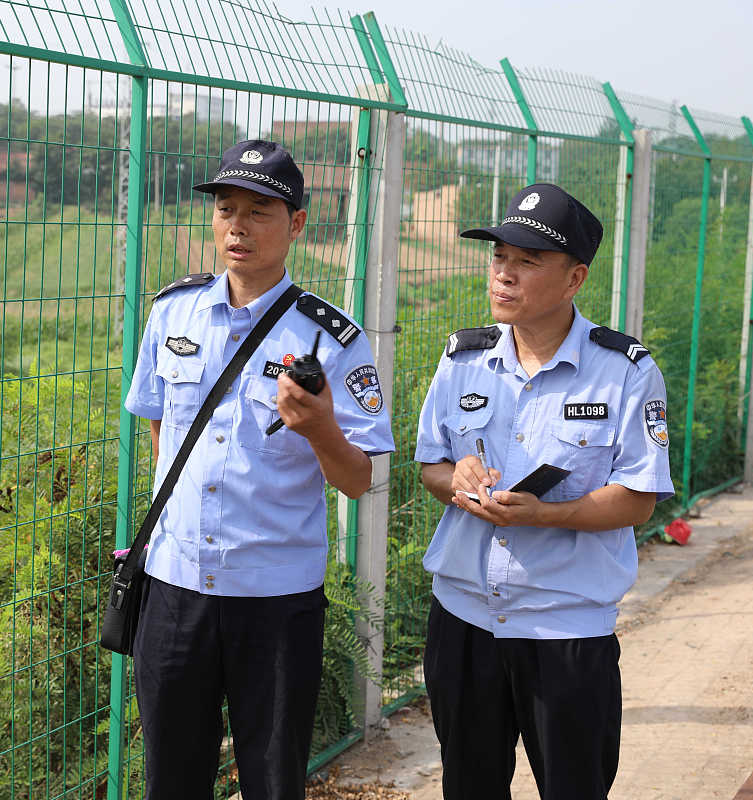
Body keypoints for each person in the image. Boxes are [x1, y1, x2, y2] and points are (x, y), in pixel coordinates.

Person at [123, 140, 395, 800]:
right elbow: (162, 428)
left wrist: (321, 428)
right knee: (171, 778)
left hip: (274, 599)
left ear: (297, 224)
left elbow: (360, 480)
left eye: (259, 212)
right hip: (174, 587)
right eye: (225, 209)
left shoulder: (333, 338)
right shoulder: (172, 312)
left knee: (273, 780)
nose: (238, 226)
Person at [414, 183, 674, 799]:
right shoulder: (463, 361)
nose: (504, 274)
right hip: (464, 619)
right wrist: (457, 481)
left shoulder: (627, 373)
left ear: (575, 278)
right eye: (500, 256)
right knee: (469, 787)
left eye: (528, 261)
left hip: (565, 630)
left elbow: (638, 498)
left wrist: (543, 515)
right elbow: (431, 466)